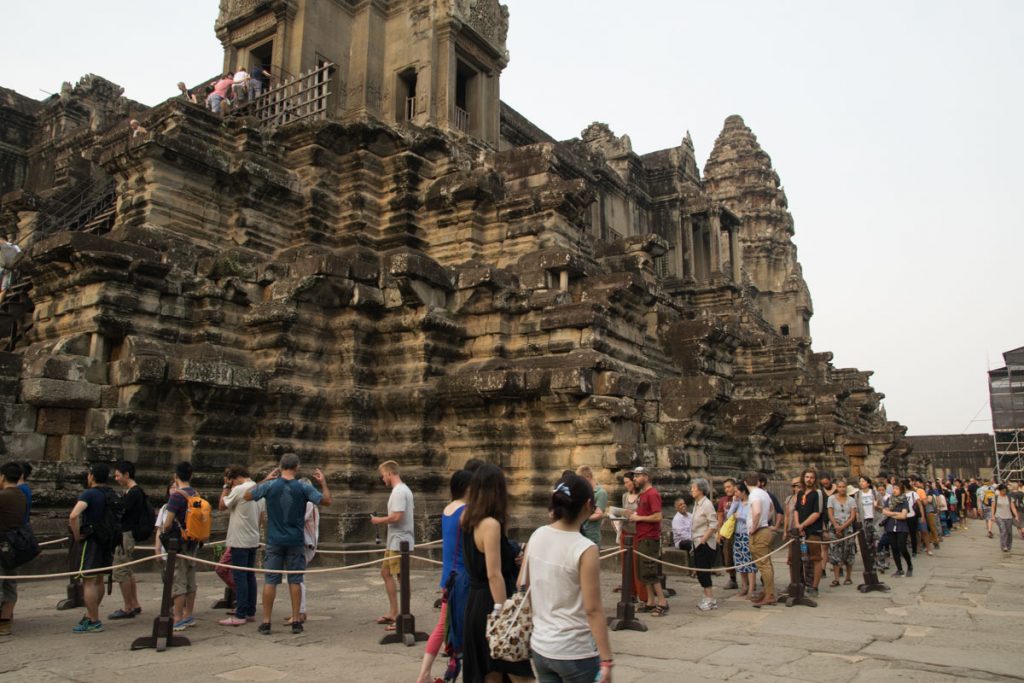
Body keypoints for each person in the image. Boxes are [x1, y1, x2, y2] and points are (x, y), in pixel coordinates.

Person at [525, 473, 614, 683]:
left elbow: (528, 588)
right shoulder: (585, 548)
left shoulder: (536, 535)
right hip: (574, 650)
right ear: (587, 505)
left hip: (541, 648)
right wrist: (606, 659)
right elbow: (593, 610)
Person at [460, 463, 534, 683]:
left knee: (490, 673)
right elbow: (494, 574)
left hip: (474, 602)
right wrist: (503, 613)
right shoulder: (490, 524)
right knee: (516, 670)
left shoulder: (467, 518)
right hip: (490, 602)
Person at [245, 453, 332, 635]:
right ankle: (296, 621)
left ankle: (267, 622)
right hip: (295, 540)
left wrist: (264, 479)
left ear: (280, 466)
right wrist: (323, 482)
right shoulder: (302, 487)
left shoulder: (270, 486)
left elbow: (247, 495)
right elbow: (326, 501)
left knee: (270, 581)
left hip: (274, 540)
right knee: (295, 580)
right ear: (297, 467)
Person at [416, 470, 471, 683]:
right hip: (462, 577)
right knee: (453, 626)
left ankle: (426, 672)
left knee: (445, 625)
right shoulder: (466, 511)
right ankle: (427, 673)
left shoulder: (448, 509)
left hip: (448, 575)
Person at [68, 462, 118, 633]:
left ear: (92, 476)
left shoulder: (89, 494)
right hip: (107, 540)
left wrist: (76, 535)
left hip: (92, 540)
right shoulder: (110, 493)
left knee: (88, 580)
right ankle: (91, 614)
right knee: (99, 579)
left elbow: (74, 515)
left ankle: (94, 619)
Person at [370, 460, 414, 630]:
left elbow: (397, 517)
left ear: (389, 473)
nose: (382, 480)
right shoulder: (400, 490)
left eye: (383, 476)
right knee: (386, 572)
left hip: (399, 541)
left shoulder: (400, 492)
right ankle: (394, 611)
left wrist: (378, 520)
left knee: (401, 578)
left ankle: (403, 615)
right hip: (395, 540)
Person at [218, 465, 262, 627]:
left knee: (240, 576)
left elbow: (222, 505)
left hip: (240, 539)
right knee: (249, 576)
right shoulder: (258, 489)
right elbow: (262, 515)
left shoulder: (239, 489)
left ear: (235, 478)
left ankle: (241, 613)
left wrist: (226, 487)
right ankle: (250, 610)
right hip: (253, 537)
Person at [162, 462, 203, 631]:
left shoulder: (176, 496)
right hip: (193, 542)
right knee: (191, 579)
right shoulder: (196, 494)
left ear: (175, 476)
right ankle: (188, 614)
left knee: (179, 580)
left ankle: (177, 617)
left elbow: (167, 522)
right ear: (191, 475)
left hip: (178, 544)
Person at [629, 466, 668, 616]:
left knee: (650, 570)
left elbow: (658, 516)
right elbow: (644, 513)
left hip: (649, 538)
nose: (635, 479)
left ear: (646, 476)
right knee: (643, 572)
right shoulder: (642, 494)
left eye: (638, 476)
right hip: (641, 535)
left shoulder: (652, 494)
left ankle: (662, 602)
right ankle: (651, 601)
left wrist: (640, 518)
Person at [109, 461, 144, 620]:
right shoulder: (133, 491)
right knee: (127, 569)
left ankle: (128, 606)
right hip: (128, 533)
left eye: (118, 475)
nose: (116, 478)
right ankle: (134, 603)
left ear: (126, 475)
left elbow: (122, 512)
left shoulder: (134, 493)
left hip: (126, 534)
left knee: (121, 570)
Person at [0, 462, 27, 636]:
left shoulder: (3, 496)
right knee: (10, 583)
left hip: (2, 542)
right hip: (15, 544)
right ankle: (5, 621)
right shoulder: (22, 495)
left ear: (3, 476)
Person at [744, 472, 776, 606]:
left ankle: (770, 595)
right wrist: (765, 521)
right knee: (766, 563)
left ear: (745, 483)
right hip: (765, 529)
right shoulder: (764, 493)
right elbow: (772, 509)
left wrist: (754, 526)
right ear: (758, 482)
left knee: (763, 565)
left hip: (759, 532)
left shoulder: (754, 495)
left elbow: (756, 511)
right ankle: (768, 591)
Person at [792, 469, 825, 596]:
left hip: (813, 531)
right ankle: (804, 583)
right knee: (802, 559)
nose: (809, 479)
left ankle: (814, 587)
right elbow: (796, 510)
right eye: (807, 477)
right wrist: (797, 525)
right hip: (800, 532)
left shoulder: (818, 493)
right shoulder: (800, 493)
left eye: (811, 477)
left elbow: (817, 513)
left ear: (815, 479)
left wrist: (803, 525)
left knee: (816, 558)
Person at [614, 473, 647, 603]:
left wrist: (634, 514)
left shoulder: (642, 496)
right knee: (626, 565)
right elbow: (623, 511)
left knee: (637, 564)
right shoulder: (625, 496)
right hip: (626, 531)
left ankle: (642, 595)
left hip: (637, 533)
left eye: (628, 482)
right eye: (625, 482)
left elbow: (644, 513)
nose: (627, 484)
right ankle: (630, 593)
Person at [689, 477, 718, 611]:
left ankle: (710, 599)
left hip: (704, 542)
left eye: (694, 488)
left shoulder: (706, 504)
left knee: (704, 572)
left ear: (700, 490)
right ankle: (707, 597)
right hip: (696, 541)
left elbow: (713, 524)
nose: (692, 490)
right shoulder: (697, 503)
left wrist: (703, 540)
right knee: (700, 572)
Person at [294, 480, 320, 624]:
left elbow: (298, 519)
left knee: (298, 578)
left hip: (306, 543)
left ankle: (301, 611)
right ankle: (297, 609)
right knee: (296, 577)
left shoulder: (308, 503)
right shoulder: (309, 502)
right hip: (305, 542)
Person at [826, 478, 858, 587]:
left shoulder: (851, 500)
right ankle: (836, 578)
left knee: (849, 551)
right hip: (834, 527)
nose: (841, 489)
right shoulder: (831, 499)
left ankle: (848, 577)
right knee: (835, 552)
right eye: (839, 487)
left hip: (847, 527)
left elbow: (852, 516)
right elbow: (830, 514)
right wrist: (836, 526)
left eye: (843, 487)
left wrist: (843, 526)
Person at [730, 482, 757, 598]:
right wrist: (734, 502)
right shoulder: (738, 503)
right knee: (740, 562)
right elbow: (729, 515)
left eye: (736, 491)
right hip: (738, 534)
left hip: (747, 534)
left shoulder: (751, 502)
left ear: (743, 491)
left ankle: (751, 588)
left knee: (749, 562)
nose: (735, 493)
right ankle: (744, 586)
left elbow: (751, 517)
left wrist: (739, 516)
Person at [856, 476, 886, 572]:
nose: (861, 483)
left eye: (863, 481)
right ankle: (871, 563)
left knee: (877, 542)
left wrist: (877, 506)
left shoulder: (875, 493)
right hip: (865, 520)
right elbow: (856, 509)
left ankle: (881, 563)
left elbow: (883, 507)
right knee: (868, 543)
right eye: (860, 481)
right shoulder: (857, 495)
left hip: (875, 520)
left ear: (868, 483)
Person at [882, 482, 913, 577]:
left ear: (901, 490)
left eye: (897, 488)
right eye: (894, 488)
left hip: (901, 527)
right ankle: (899, 569)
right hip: (891, 527)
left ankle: (909, 565)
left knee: (902, 547)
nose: (895, 490)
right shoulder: (889, 499)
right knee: (894, 548)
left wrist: (891, 513)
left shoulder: (904, 500)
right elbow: (884, 512)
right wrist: (896, 514)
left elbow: (903, 516)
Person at [576, 466, 607, 548]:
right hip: (580, 532)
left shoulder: (601, 493)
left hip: (591, 534)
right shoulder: (584, 491)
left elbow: (599, 514)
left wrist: (583, 517)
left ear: (588, 477)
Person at [715, 478, 738, 590]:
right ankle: (732, 578)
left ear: (734, 486)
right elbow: (720, 516)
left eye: (729, 487)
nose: (727, 489)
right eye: (725, 488)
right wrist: (719, 532)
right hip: (727, 532)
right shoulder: (723, 500)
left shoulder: (739, 498)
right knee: (728, 555)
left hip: (739, 530)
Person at [993, 484, 1019, 552]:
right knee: (1003, 531)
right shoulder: (995, 497)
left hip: (1009, 517)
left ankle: (1008, 546)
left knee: (1009, 533)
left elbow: (1013, 508)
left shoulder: (1009, 498)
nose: (1004, 492)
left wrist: (1016, 515)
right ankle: (1004, 546)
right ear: (999, 490)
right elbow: (993, 507)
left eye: (1005, 491)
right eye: (1002, 491)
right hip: (999, 516)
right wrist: (993, 516)